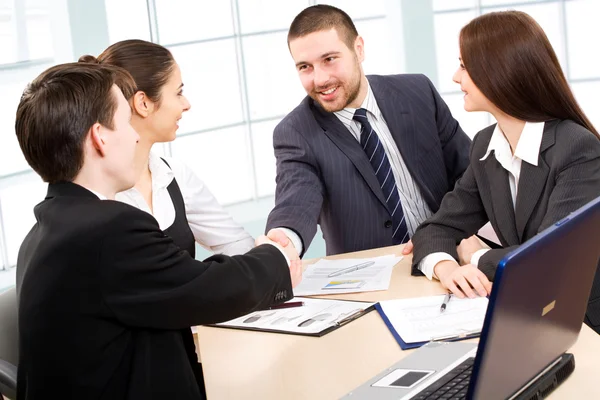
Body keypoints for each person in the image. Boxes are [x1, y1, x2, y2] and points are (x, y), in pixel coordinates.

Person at [15, 62, 301, 400]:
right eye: (125, 123)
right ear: (100, 137)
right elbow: (207, 288)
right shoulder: (110, 229)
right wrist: (277, 259)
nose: (136, 135)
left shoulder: (39, 235)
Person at [410, 11, 600, 306]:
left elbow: (548, 261)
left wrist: (473, 255)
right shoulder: (486, 145)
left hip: (578, 318)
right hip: (521, 308)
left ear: (500, 71)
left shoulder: (578, 148)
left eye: (464, 66)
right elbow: (436, 229)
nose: (455, 77)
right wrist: (446, 268)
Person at [264, 4, 471, 259]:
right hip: (370, 281)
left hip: (447, 254)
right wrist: (283, 244)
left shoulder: (417, 92)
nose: (319, 79)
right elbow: (296, 199)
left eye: (329, 59)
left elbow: (469, 171)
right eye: (305, 67)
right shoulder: (296, 133)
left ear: (358, 49)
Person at [79, 39, 254, 257]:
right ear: (143, 103)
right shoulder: (96, 192)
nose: (186, 104)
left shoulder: (173, 174)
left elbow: (237, 242)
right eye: (178, 92)